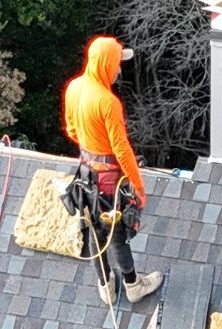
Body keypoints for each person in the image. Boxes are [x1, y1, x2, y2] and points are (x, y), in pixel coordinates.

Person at [60, 38, 162, 305]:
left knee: (94, 230)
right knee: (116, 234)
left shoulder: (74, 87)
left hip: (86, 174)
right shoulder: (107, 102)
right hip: (107, 180)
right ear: (106, 64)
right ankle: (133, 285)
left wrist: (91, 147)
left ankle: (105, 285)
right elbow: (122, 149)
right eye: (117, 64)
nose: (119, 70)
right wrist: (138, 187)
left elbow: (71, 130)